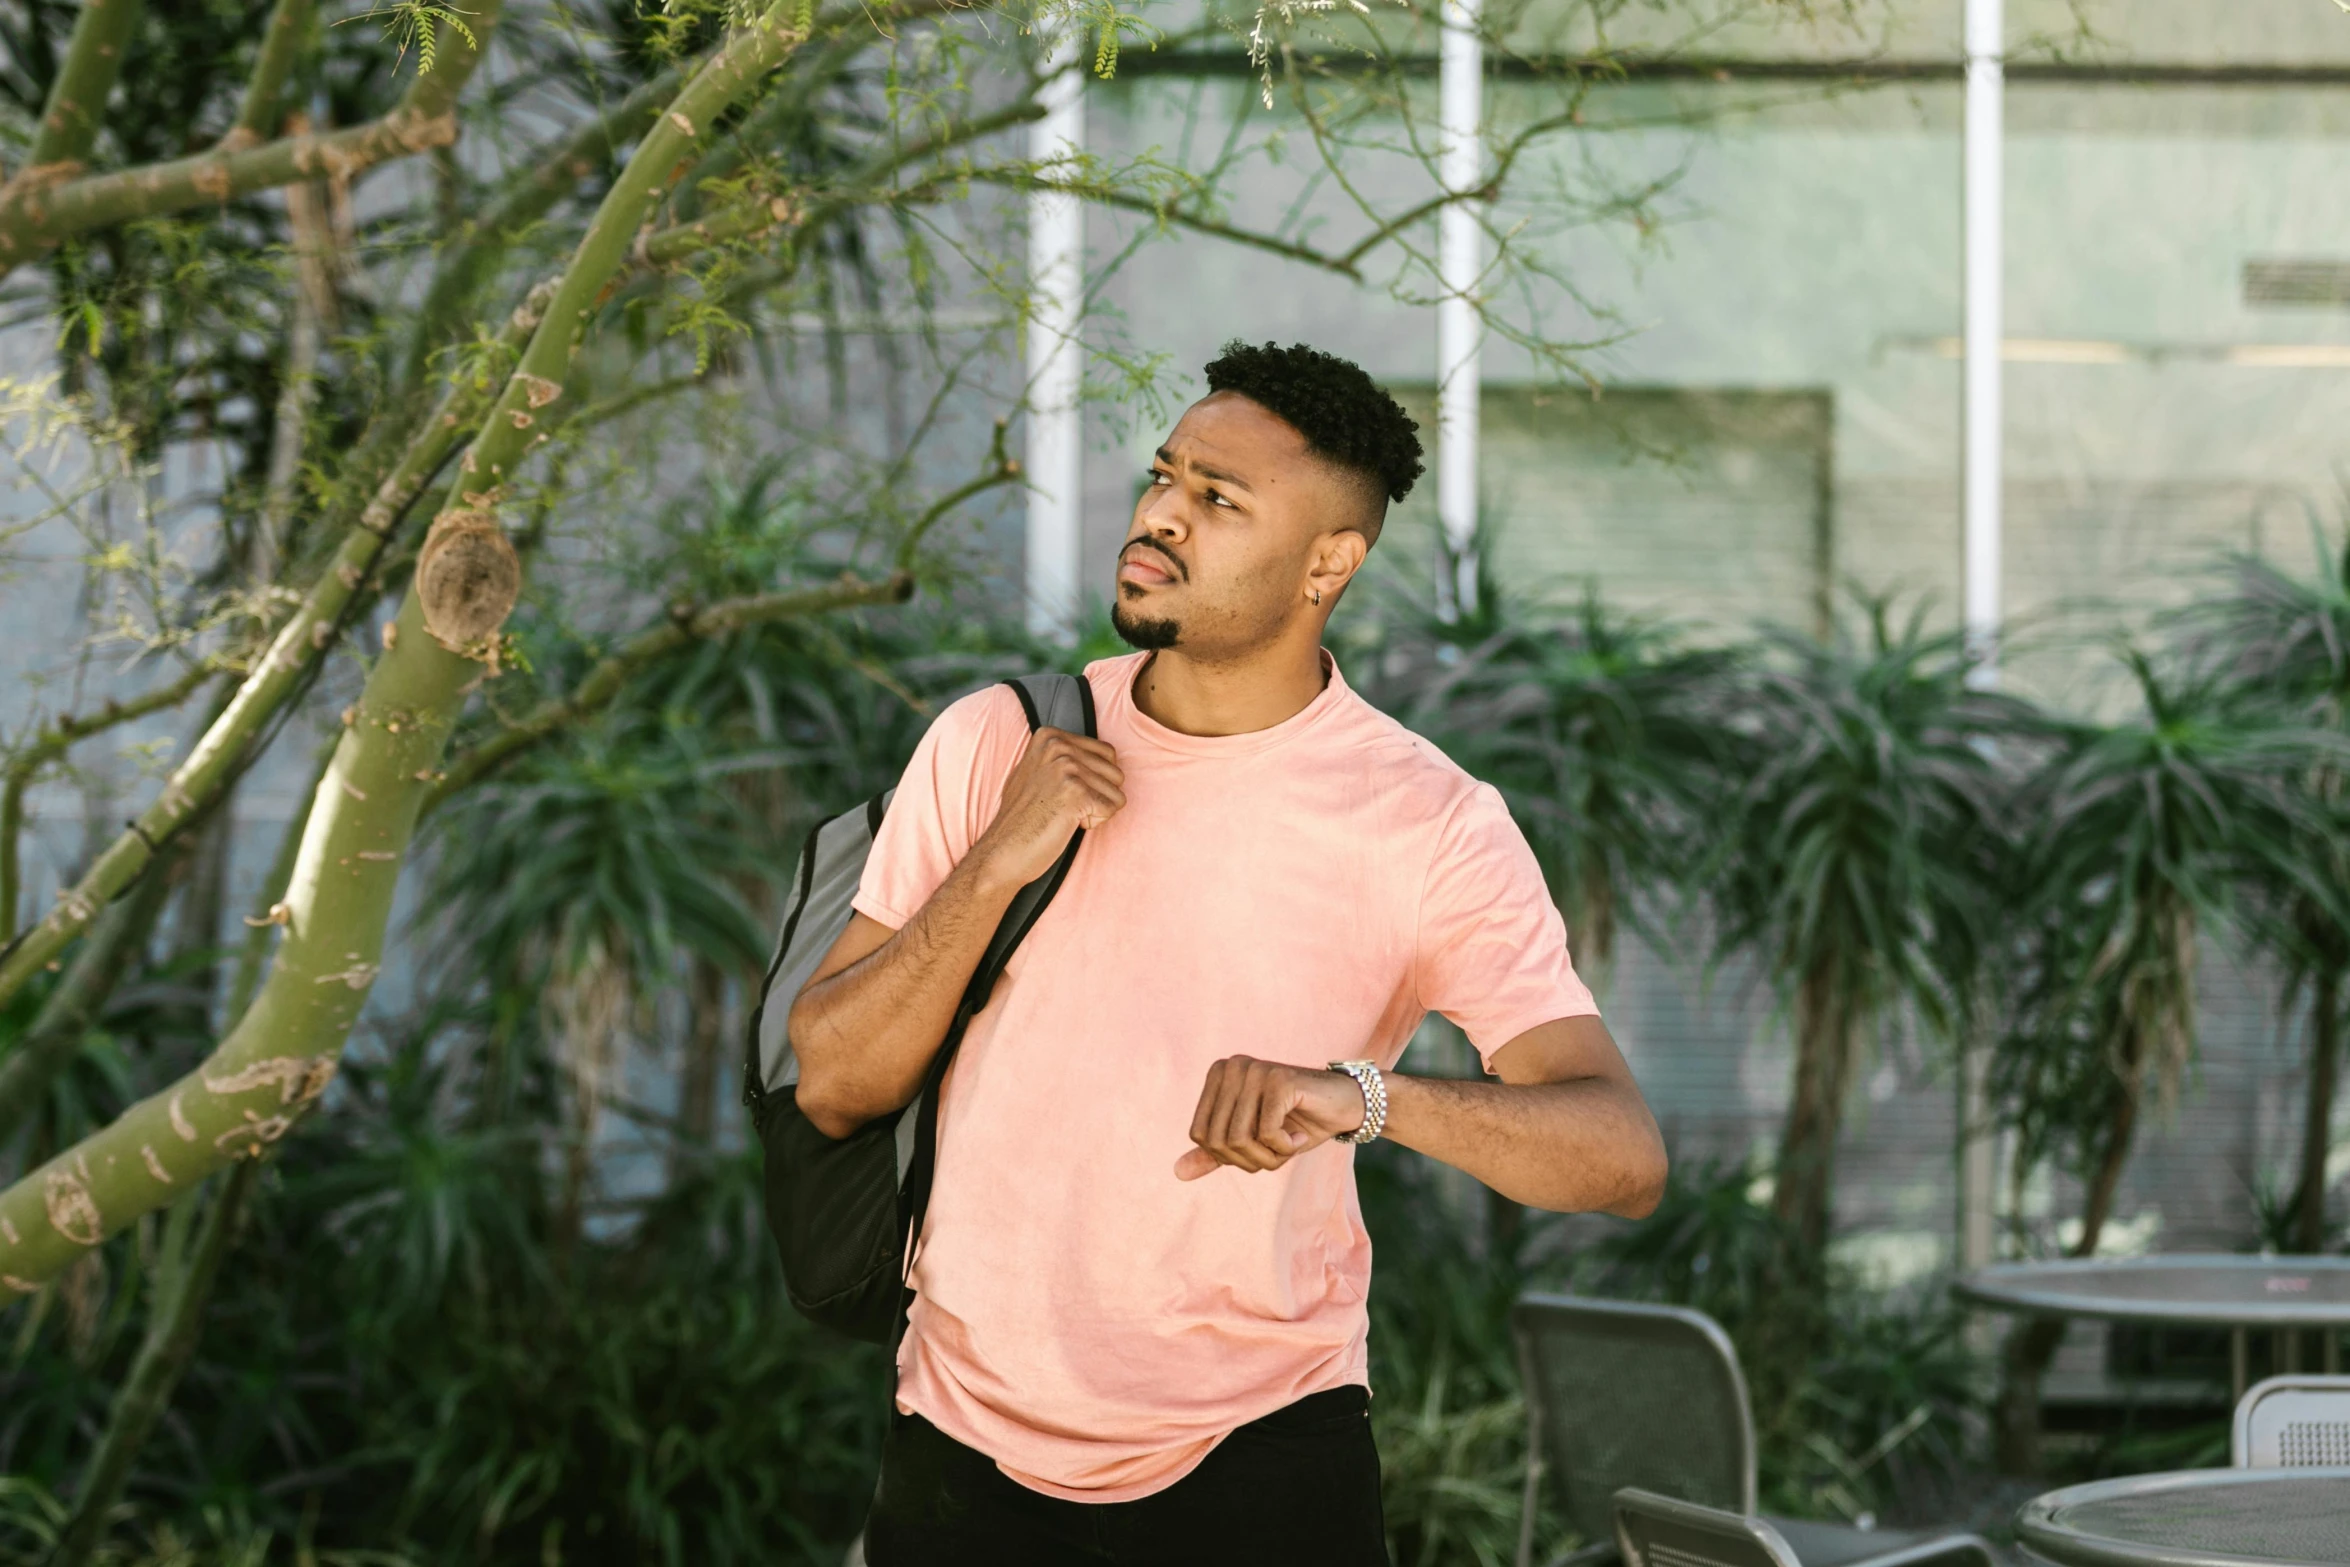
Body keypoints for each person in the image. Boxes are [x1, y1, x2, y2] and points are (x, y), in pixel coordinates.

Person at [789, 341, 1668, 1566]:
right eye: (1165, 475)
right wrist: (997, 858)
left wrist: (1358, 1098)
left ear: (1327, 564)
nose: (1158, 514)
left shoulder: (1429, 823)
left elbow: (1619, 1155)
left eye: (1216, 498)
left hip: (1259, 1467)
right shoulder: (999, 740)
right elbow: (831, 1075)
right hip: (957, 1450)